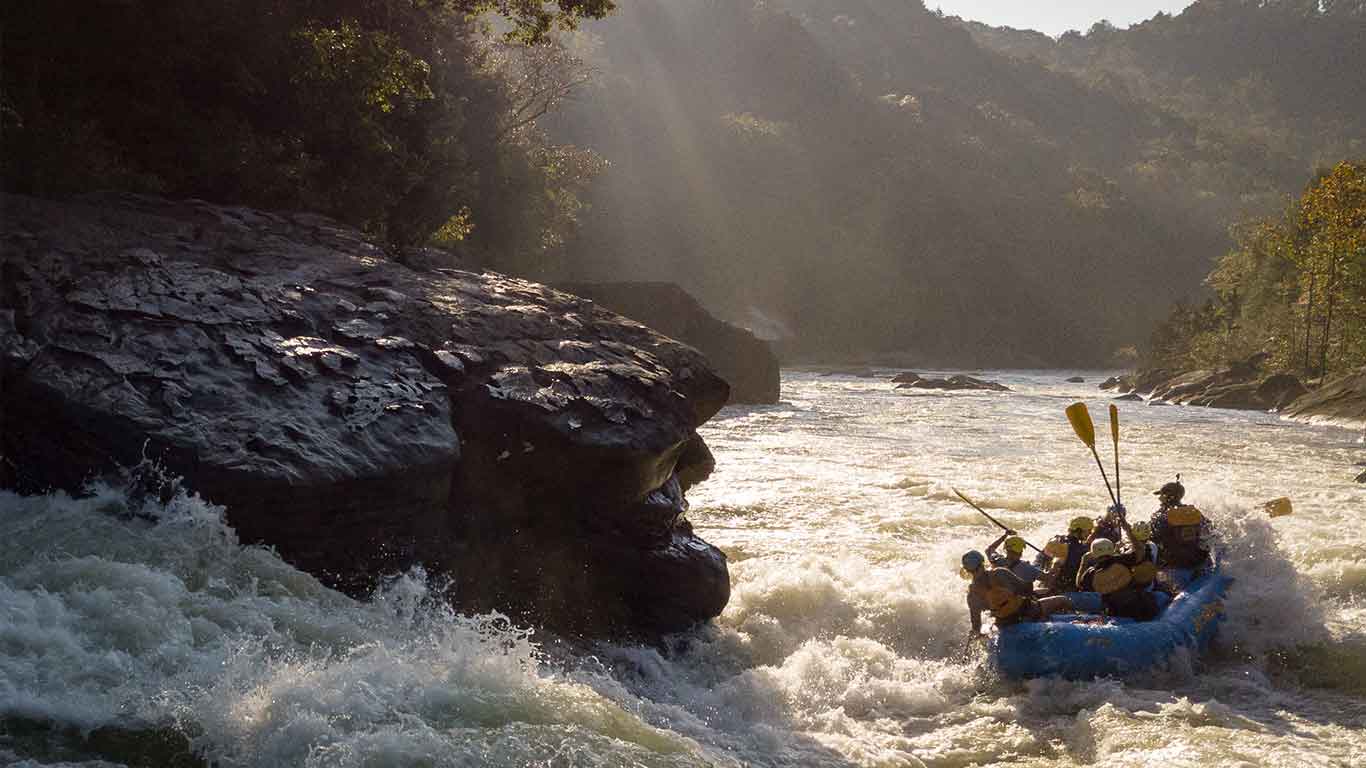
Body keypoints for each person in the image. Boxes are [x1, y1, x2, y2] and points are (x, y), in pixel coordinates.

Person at [962, 550, 1071, 635]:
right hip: (1028, 611)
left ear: (968, 571)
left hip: (1004, 623)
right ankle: (1070, 621)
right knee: (1063, 599)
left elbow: (976, 627)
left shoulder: (972, 595)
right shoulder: (999, 573)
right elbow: (1026, 590)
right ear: (982, 563)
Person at [1075, 538, 1154, 620]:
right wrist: (1128, 531)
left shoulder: (1091, 572)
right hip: (1141, 604)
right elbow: (1140, 551)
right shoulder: (1123, 559)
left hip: (1116, 610)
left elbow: (1079, 584)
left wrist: (1083, 562)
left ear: (1093, 554)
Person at [1148, 477, 1212, 571]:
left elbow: (1152, 536)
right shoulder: (1192, 512)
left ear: (1169, 497)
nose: (1159, 498)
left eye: (1161, 495)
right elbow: (1209, 529)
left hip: (1173, 561)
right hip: (1196, 558)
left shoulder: (1160, 515)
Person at [1035, 516, 1093, 595]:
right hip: (1065, 589)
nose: (1090, 533)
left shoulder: (1055, 540)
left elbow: (1039, 560)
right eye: (1088, 531)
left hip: (1046, 585)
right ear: (1079, 531)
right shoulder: (1078, 549)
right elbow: (1057, 565)